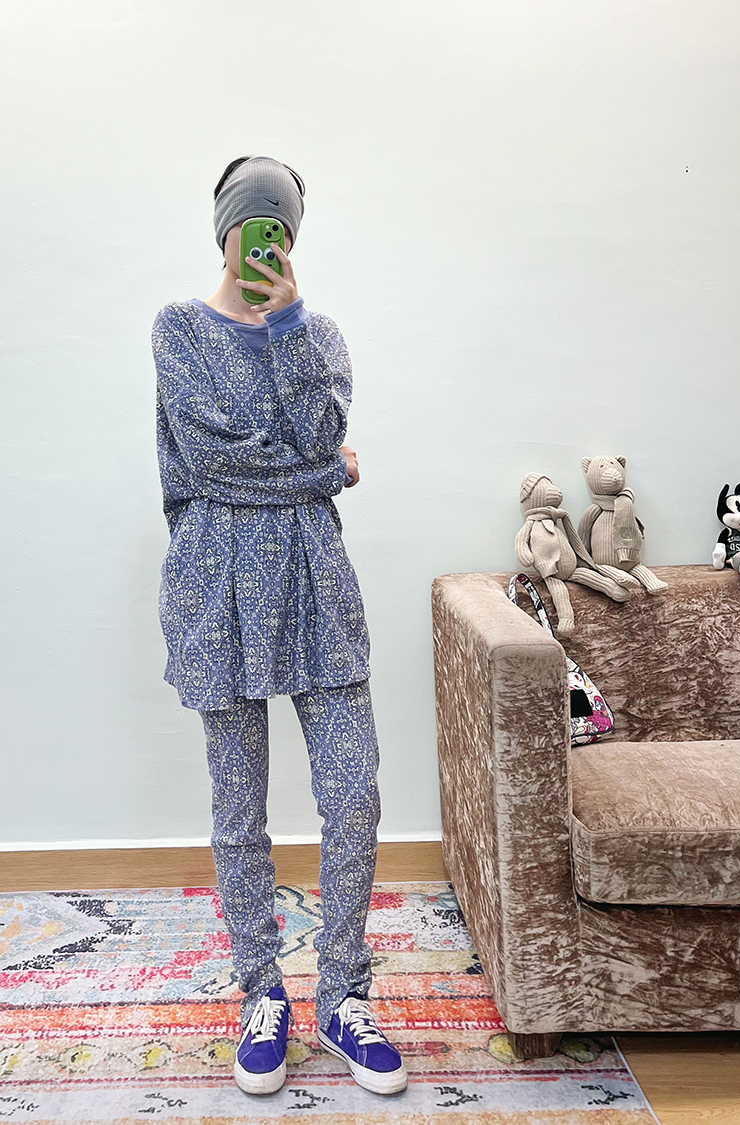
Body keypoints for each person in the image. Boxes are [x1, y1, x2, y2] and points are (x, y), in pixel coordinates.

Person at [151, 155, 407, 1097]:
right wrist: (329, 473)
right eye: (252, 224)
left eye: (279, 227)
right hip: (215, 589)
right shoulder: (177, 329)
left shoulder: (319, 333)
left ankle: (343, 993)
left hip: (314, 585)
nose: (264, 241)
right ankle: (263, 991)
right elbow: (214, 462)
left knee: (354, 793)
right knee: (239, 808)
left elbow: (314, 427)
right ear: (223, 229)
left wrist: (290, 331)